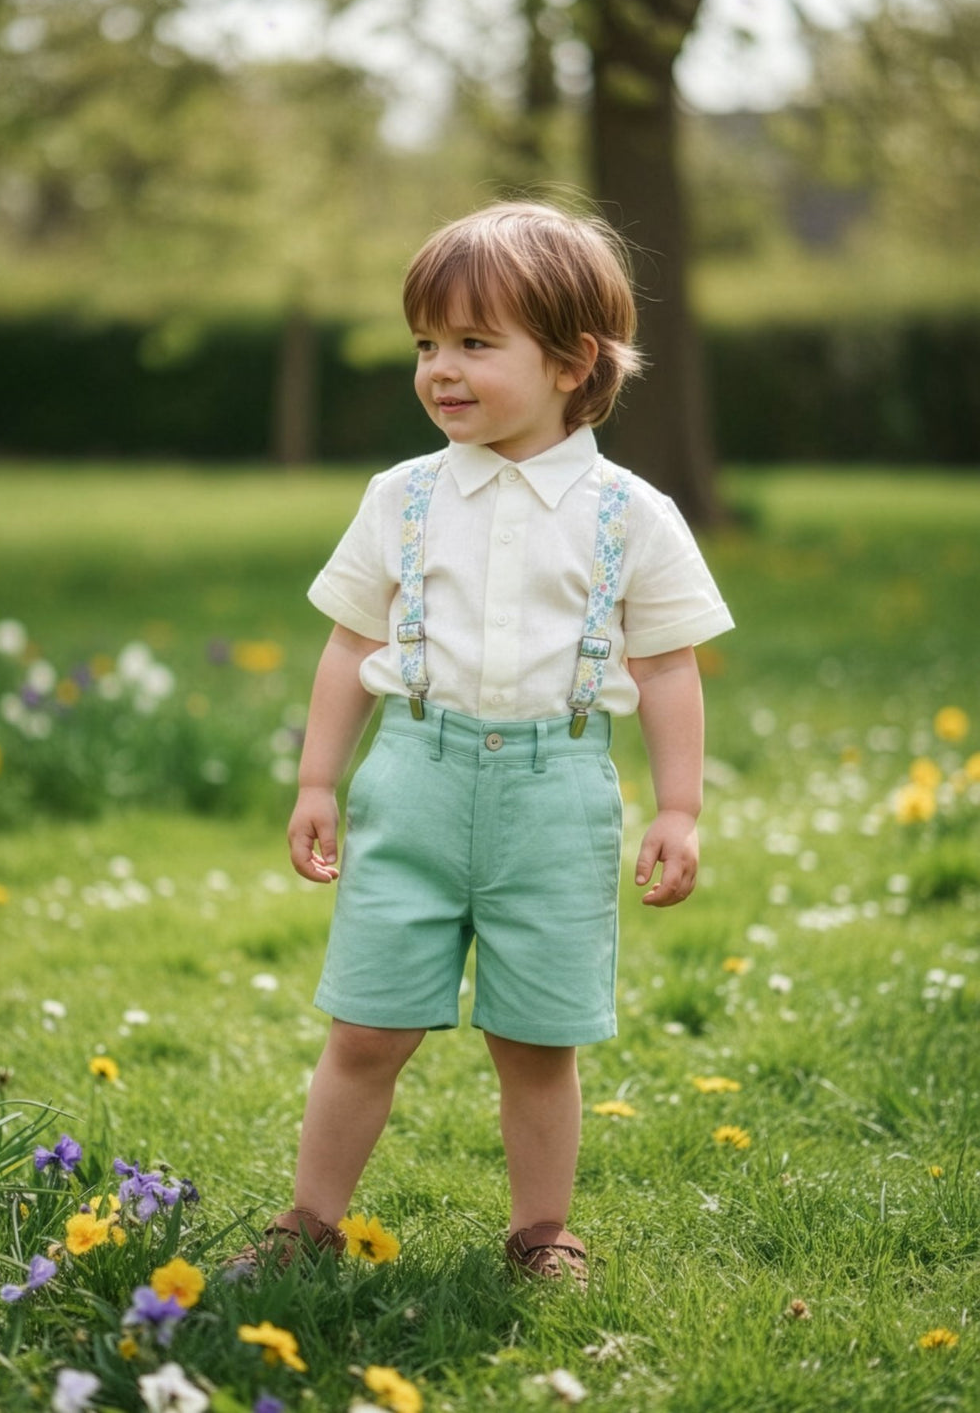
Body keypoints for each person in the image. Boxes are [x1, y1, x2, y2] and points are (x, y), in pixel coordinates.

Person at [236, 200, 734, 1287]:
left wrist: (679, 807)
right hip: (411, 780)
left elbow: (662, 667)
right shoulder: (400, 500)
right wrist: (320, 778)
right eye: (427, 344)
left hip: (555, 798)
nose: (440, 369)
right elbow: (350, 641)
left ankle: (540, 1232)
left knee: (536, 1042)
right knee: (365, 1027)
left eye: (473, 344)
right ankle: (308, 1221)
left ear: (571, 362)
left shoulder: (631, 515)